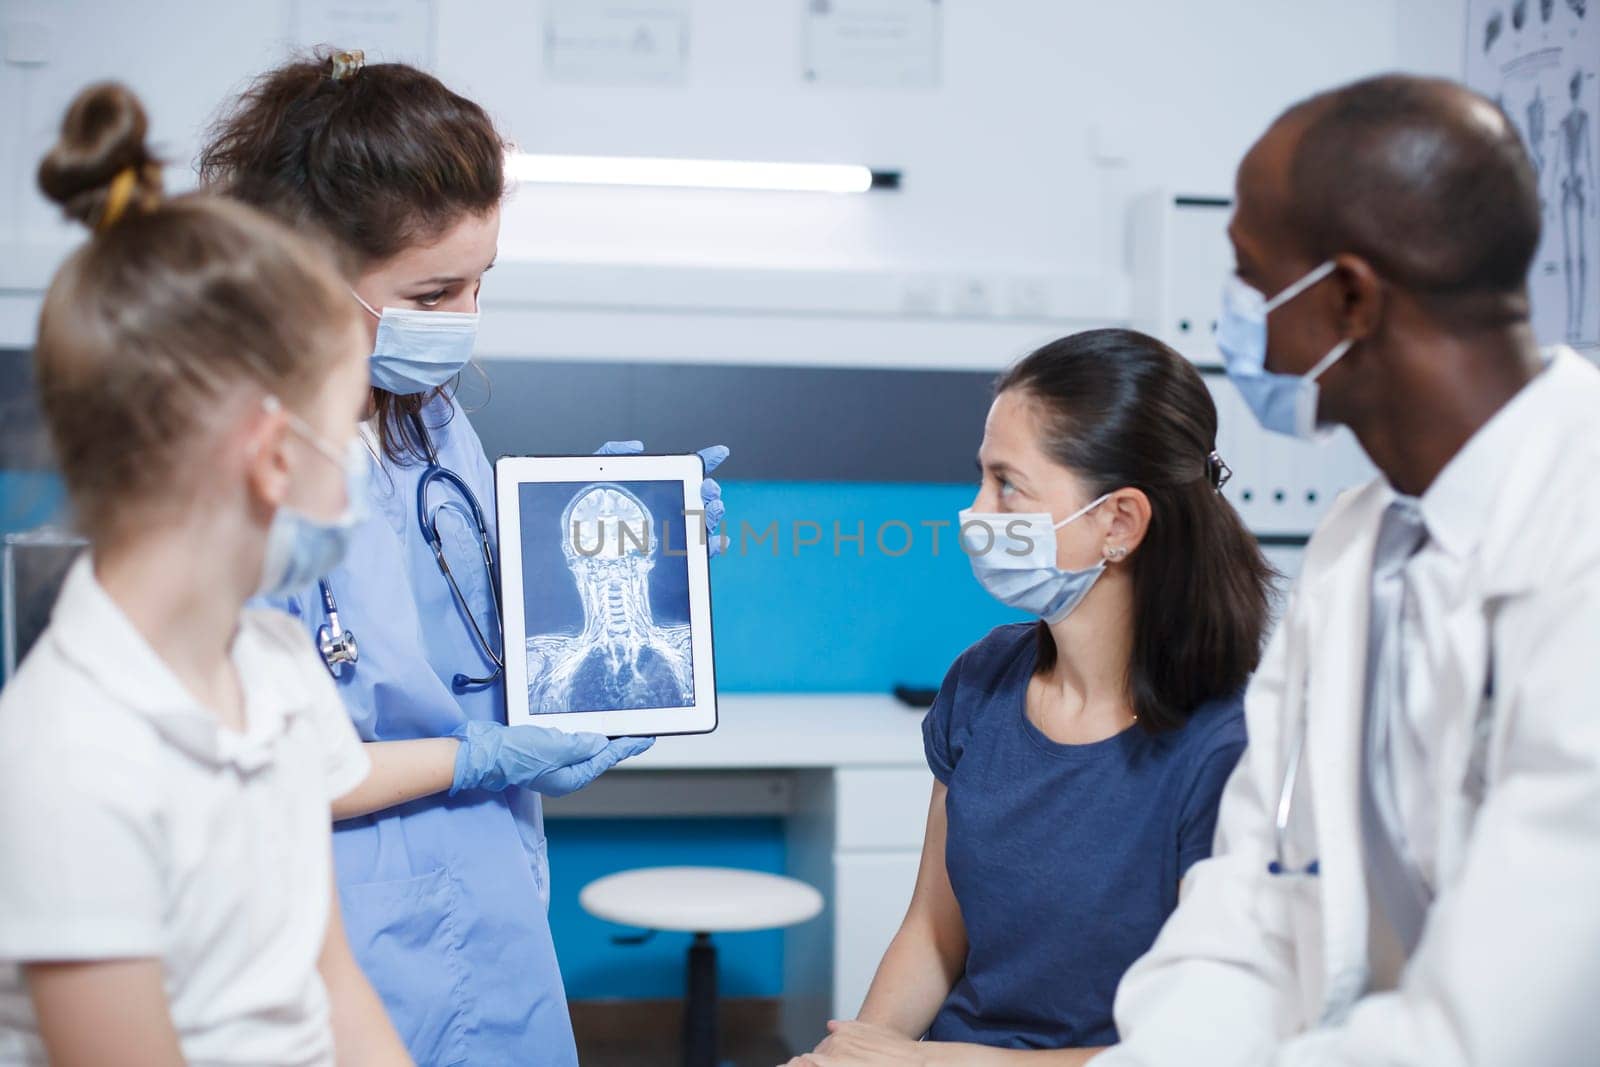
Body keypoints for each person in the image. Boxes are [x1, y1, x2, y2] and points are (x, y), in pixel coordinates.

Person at [198, 52, 727, 1064]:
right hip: (333, 911)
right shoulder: (227, 463)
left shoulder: (428, 423)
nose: (464, 320)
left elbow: (486, 623)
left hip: (487, 890)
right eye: (434, 291)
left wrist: (607, 531)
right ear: (302, 272)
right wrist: (478, 754)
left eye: (480, 283)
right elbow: (261, 762)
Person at [1097, 75, 1600, 1066]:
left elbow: (1494, 1028)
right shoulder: (1355, 543)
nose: (1235, 323)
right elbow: (1258, 896)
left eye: (1250, 281)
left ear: (1348, 299)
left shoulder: (1577, 538)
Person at [0, 83, 408, 1064]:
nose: (361, 456)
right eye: (349, 421)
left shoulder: (271, 663)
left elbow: (332, 985)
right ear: (274, 457)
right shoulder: (67, 757)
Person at [793, 329, 1276, 1065]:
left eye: (1006, 483)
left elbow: (1193, 1047)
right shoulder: (982, 682)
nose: (976, 511)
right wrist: (865, 1052)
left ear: (1118, 522)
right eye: (981, 477)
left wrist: (940, 1063)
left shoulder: (1223, 745)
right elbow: (934, 928)